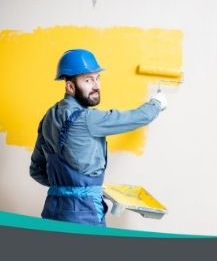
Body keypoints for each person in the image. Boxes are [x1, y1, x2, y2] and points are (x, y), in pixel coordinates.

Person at [29, 49, 167, 226]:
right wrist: (157, 102)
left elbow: (36, 170)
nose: (96, 86)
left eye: (97, 78)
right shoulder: (87, 119)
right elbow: (137, 117)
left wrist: (66, 188)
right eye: (88, 80)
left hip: (53, 210)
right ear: (70, 86)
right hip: (83, 214)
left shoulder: (48, 116)